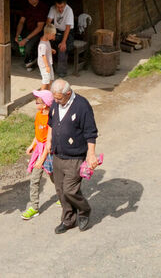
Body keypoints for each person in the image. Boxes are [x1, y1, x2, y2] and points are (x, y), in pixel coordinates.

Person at [47, 79, 100, 233]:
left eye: (59, 98)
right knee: (60, 190)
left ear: (68, 93)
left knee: (69, 190)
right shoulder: (56, 104)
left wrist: (91, 155)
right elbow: (51, 122)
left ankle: (84, 211)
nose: (55, 101)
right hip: (57, 154)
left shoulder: (82, 106)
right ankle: (68, 219)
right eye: (54, 98)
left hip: (75, 157)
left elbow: (91, 133)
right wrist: (49, 141)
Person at [21, 89, 54, 220]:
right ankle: (34, 207)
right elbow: (38, 135)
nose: (35, 103)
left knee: (54, 177)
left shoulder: (50, 119)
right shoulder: (38, 115)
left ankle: (64, 197)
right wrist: (32, 145)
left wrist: (42, 158)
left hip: (48, 152)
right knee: (35, 180)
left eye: (37, 101)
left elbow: (48, 141)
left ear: (45, 104)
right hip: (39, 150)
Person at [15, 0, 48, 70]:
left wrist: (26, 39)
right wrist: (17, 35)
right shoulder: (27, 7)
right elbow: (21, 22)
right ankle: (30, 59)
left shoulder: (42, 7)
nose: (31, 0)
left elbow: (40, 27)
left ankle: (31, 60)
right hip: (27, 30)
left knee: (28, 46)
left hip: (39, 32)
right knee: (14, 41)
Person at [47, 0, 75, 76]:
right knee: (47, 44)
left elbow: (68, 28)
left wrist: (63, 42)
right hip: (56, 31)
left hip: (68, 32)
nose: (60, 9)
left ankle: (61, 71)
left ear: (65, 5)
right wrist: (48, 35)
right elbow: (48, 22)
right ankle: (49, 68)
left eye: (62, 7)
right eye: (58, 7)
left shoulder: (69, 10)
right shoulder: (52, 8)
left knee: (62, 48)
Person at [36, 23, 56, 87]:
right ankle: (41, 95)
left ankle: (49, 92)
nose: (54, 37)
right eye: (53, 35)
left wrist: (51, 50)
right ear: (48, 34)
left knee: (50, 78)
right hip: (44, 65)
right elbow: (43, 55)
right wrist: (47, 66)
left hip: (48, 63)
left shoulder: (46, 40)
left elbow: (47, 48)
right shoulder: (43, 44)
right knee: (45, 80)